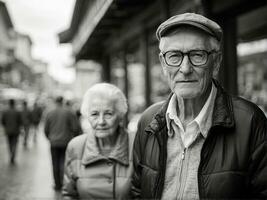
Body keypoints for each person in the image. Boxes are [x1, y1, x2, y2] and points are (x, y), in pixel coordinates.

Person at [131, 13, 267, 199]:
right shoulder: (148, 121)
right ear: (163, 64)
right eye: (174, 56)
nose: (185, 69)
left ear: (216, 62)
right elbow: (137, 192)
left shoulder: (250, 121)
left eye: (197, 55)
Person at [62, 83, 135, 199]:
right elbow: (69, 194)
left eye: (108, 114)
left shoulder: (136, 144)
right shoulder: (76, 146)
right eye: (94, 114)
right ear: (87, 116)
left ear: (120, 115)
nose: (101, 121)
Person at [44, 96, 82, 191]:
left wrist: (50, 138)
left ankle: (57, 184)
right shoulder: (69, 112)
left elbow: (46, 129)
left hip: (54, 142)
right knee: (64, 163)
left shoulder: (49, 113)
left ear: (55, 101)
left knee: (55, 163)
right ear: (63, 102)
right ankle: (64, 183)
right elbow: (76, 128)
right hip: (66, 141)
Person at [1, 99, 22, 164]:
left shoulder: (5, 111)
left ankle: (11, 153)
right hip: (16, 130)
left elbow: (2, 121)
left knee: (9, 143)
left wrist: (6, 126)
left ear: (9, 103)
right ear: (14, 103)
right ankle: (13, 154)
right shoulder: (17, 112)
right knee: (14, 143)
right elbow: (20, 121)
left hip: (8, 130)